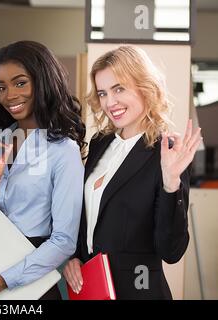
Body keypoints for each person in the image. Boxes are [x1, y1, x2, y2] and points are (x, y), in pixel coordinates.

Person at [63, 45, 202, 300]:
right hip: (94, 287)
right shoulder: (100, 142)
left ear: (144, 87)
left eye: (119, 89)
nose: (109, 102)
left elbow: (171, 251)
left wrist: (171, 184)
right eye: (103, 93)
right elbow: (91, 216)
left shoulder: (167, 151)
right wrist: (75, 257)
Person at [0, 40, 86, 300]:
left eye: (20, 83)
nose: (9, 96)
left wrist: (0, 282)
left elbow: (63, 241)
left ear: (42, 82)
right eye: (1, 87)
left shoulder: (63, 150)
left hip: (32, 282)